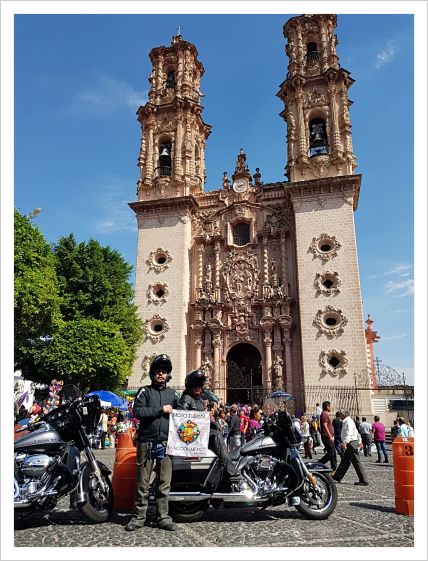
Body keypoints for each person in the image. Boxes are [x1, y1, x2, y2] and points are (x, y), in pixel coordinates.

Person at [125, 354, 178, 532]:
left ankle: (163, 517)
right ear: (153, 374)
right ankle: (138, 517)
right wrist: (160, 410)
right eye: (158, 371)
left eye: (163, 372)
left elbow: (183, 415)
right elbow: (138, 412)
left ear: (168, 375)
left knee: (164, 482)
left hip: (166, 443)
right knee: (143, 482)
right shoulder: (144, 391)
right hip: (146, 442)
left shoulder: (173, 394)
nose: (160, 374)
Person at [177, 369, 238, 478]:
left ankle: (221, 466)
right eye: (195, 386)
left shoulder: (199, 400)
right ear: (190, 386)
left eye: (200, 386)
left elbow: (213, 400)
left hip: (198, 433)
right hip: (190, 435)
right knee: (216, 435)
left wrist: (212, 423)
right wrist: (200, 417)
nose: (198, 388)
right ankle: (231, 470)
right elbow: (182, 418)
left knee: (217, 429)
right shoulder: (187, 399)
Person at [332, 410, 369, 486]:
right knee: (345, 461)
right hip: (351, 442)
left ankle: (363, 479)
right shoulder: (348, 421)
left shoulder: (348, 422)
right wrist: (359, 441)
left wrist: (344, 443)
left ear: (343, 415)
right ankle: (337, 476)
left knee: (356, 461)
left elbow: (349, 434)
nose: (340, 416)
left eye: (341, 414)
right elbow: (356, 432)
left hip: (351, 443)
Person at [318, 401, 337, 471]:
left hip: (329, 436)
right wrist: (330, 436)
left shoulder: (325, 414)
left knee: (333, 453)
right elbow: (325, 426)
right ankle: (319, 463)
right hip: (327, 437)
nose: (331, 407)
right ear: (327, 407)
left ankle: (334, 468)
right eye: (330, 406)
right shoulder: (324, 414)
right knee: (331, 453)